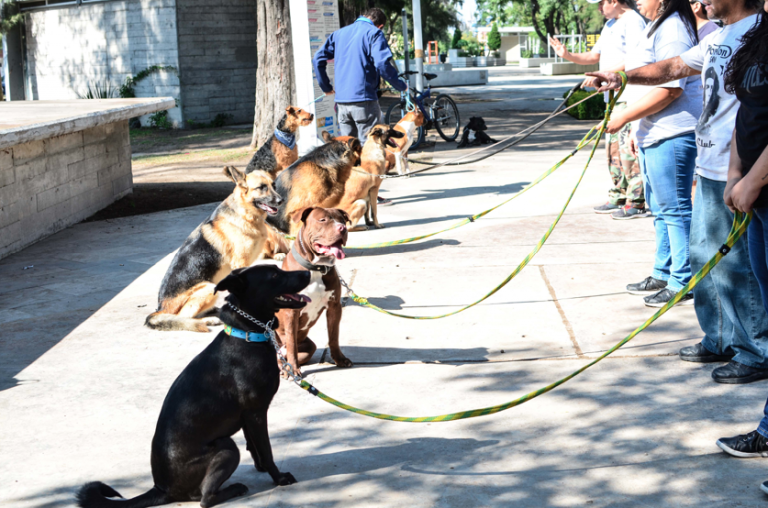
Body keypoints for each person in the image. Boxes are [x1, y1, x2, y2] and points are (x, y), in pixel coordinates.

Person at [587, 0, 767, 383]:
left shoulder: (758, 35)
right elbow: (672, 67)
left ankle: (754, 350)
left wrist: (744, 175)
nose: (700, 0)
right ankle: (718, 337)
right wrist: (622, 78)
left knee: (738, 266)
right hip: (711, 162)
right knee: (704, 255)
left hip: (736, 169)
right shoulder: (719, 36)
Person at [606, 0, 702, 307]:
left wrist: (624, 117)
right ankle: (663, 272)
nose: (635, 0)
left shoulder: (673, 26)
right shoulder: (658, 25)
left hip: (673, 131)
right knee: (661, 210)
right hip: (654, 130)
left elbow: (672, 87)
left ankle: (682, 280)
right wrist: (637, 126)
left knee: (675, 210)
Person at [715, 0, 768, 473]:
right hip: (758, 196)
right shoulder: (758, 36)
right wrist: (736, 173)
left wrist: (752, 180)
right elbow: (747, 113)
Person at [549, 0, 648, 219]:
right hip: (611, 98)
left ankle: (636, 200)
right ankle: (619, 194)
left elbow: (634, 59)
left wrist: (604, 75)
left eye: (601, 3)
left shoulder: (633, 22)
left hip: (628, 96)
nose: (598, 9)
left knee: (627, 150)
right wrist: (568, 55)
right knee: (613, 150)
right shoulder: (611, 24)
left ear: (613, 1)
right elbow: (594, 57)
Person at [312, 8, 407, 145]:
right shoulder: (374, 33)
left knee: (349, 150)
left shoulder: (339, 34)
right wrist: (400, 85)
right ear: (380, 25)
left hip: (342, 102)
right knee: (370, 148)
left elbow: (317, 59)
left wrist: (326, 87)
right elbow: (382, 63)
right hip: (364, 101)